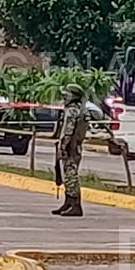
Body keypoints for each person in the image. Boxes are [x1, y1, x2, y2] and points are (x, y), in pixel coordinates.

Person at [52, 83, 89, 217]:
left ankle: (75, 205)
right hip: (75, 145)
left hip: (70, 146)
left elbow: (68, 130)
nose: (64, 97)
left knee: (70, 175)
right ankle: (68, 202)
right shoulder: (81, 109)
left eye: (66, 94)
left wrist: (63, 146)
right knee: (67, 174)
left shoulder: (72, 110)